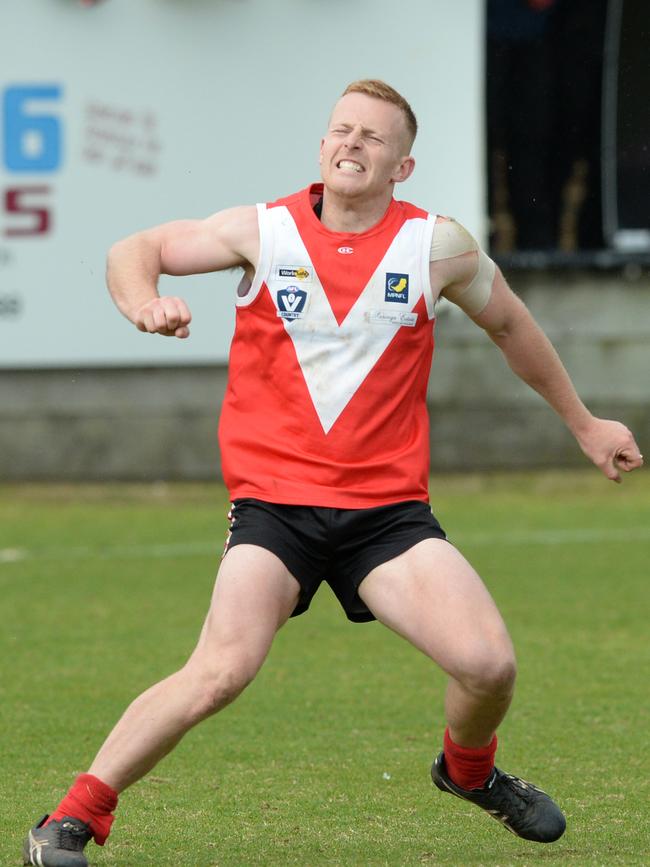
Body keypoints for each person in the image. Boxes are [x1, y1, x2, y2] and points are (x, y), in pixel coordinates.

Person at [23, 79, 643, 866]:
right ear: (321, 147)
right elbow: (131, 250)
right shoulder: (262, 230)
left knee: (490, 665)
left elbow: (513, 324)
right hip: (274, 511)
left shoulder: (436, 246)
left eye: (373, 137)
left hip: (387, 516)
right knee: (220, 671)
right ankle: (67, 821)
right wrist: (144, 302)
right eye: (340, 130)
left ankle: (468, 769)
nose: (352, 143)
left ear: (403, 166)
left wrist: (585, 424)